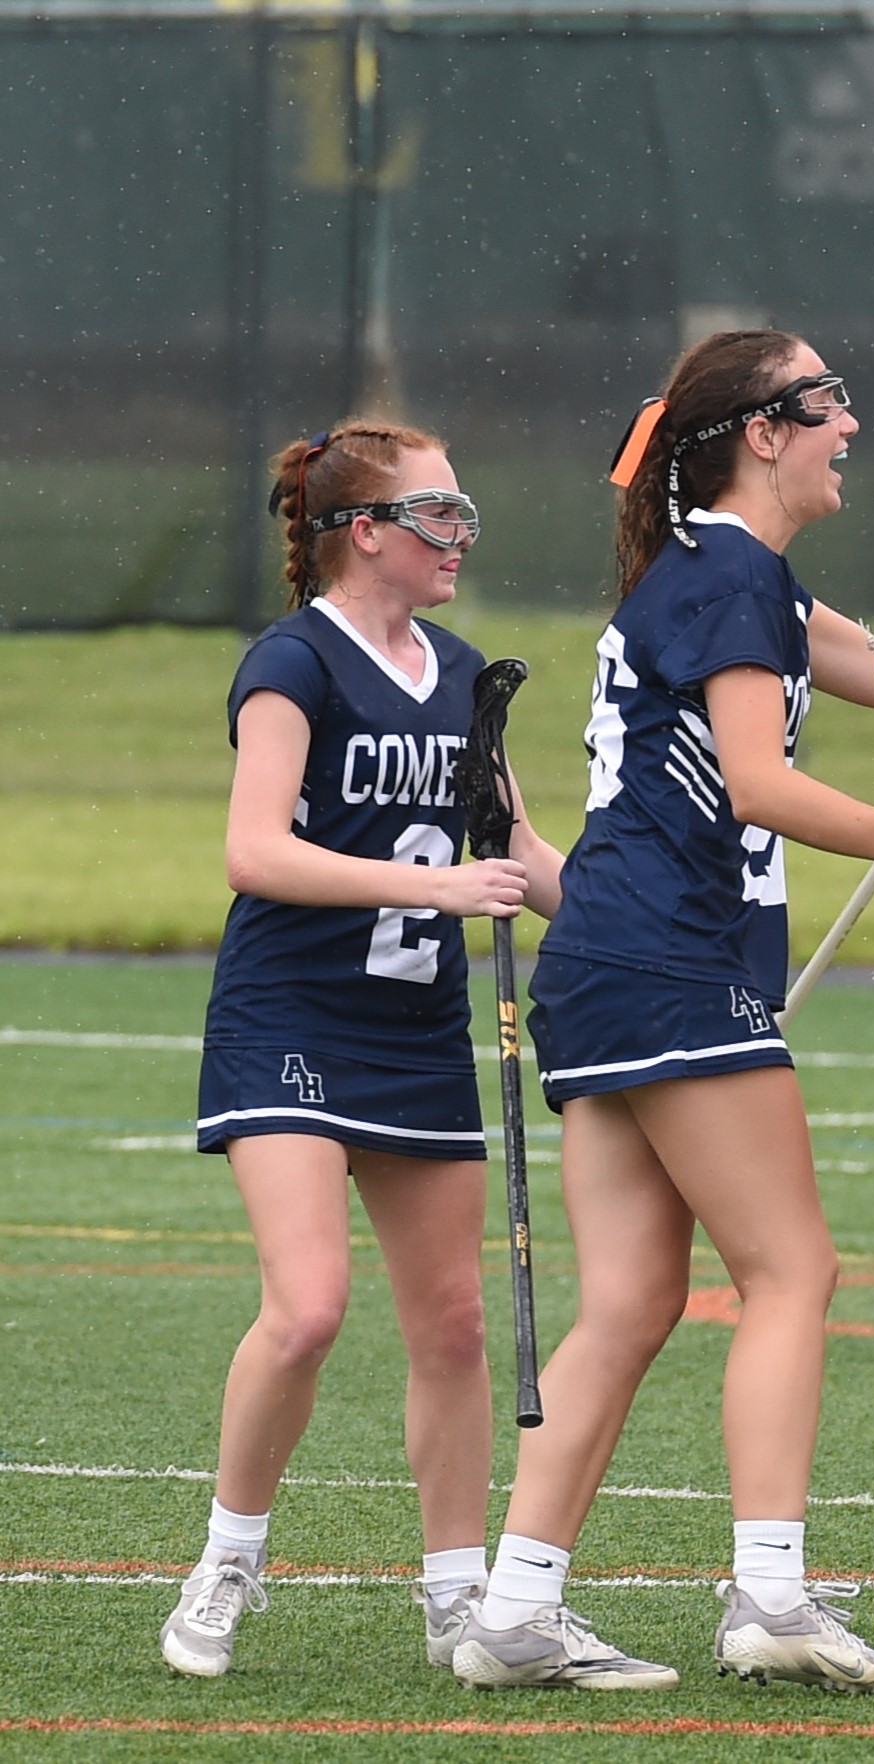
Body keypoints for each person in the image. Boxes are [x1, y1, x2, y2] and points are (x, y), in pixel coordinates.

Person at [450, 331, 874, 1694]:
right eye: (826, 405)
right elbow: (756, 784)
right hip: (668, 961)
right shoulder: (726, 578)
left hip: (613, 961)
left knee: (634, 1299)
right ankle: (769, 1592)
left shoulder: (733, 576)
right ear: (762, 431)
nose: (850, 426)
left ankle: (516, 1610)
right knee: (791, 1271)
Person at [167, 421, 562, 1678]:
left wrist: (643, 931)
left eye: (461, 511)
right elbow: (255, 850)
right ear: (364, 533)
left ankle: (456, 1594)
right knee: (309, 1309)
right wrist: (437, 889)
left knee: (452, 1328)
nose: (459, 534)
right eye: (435, 513)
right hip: (288, 1019)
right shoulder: (294, 663)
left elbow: (520, 845)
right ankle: (229, 1557)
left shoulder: (457, 674)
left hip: (413, 1036)